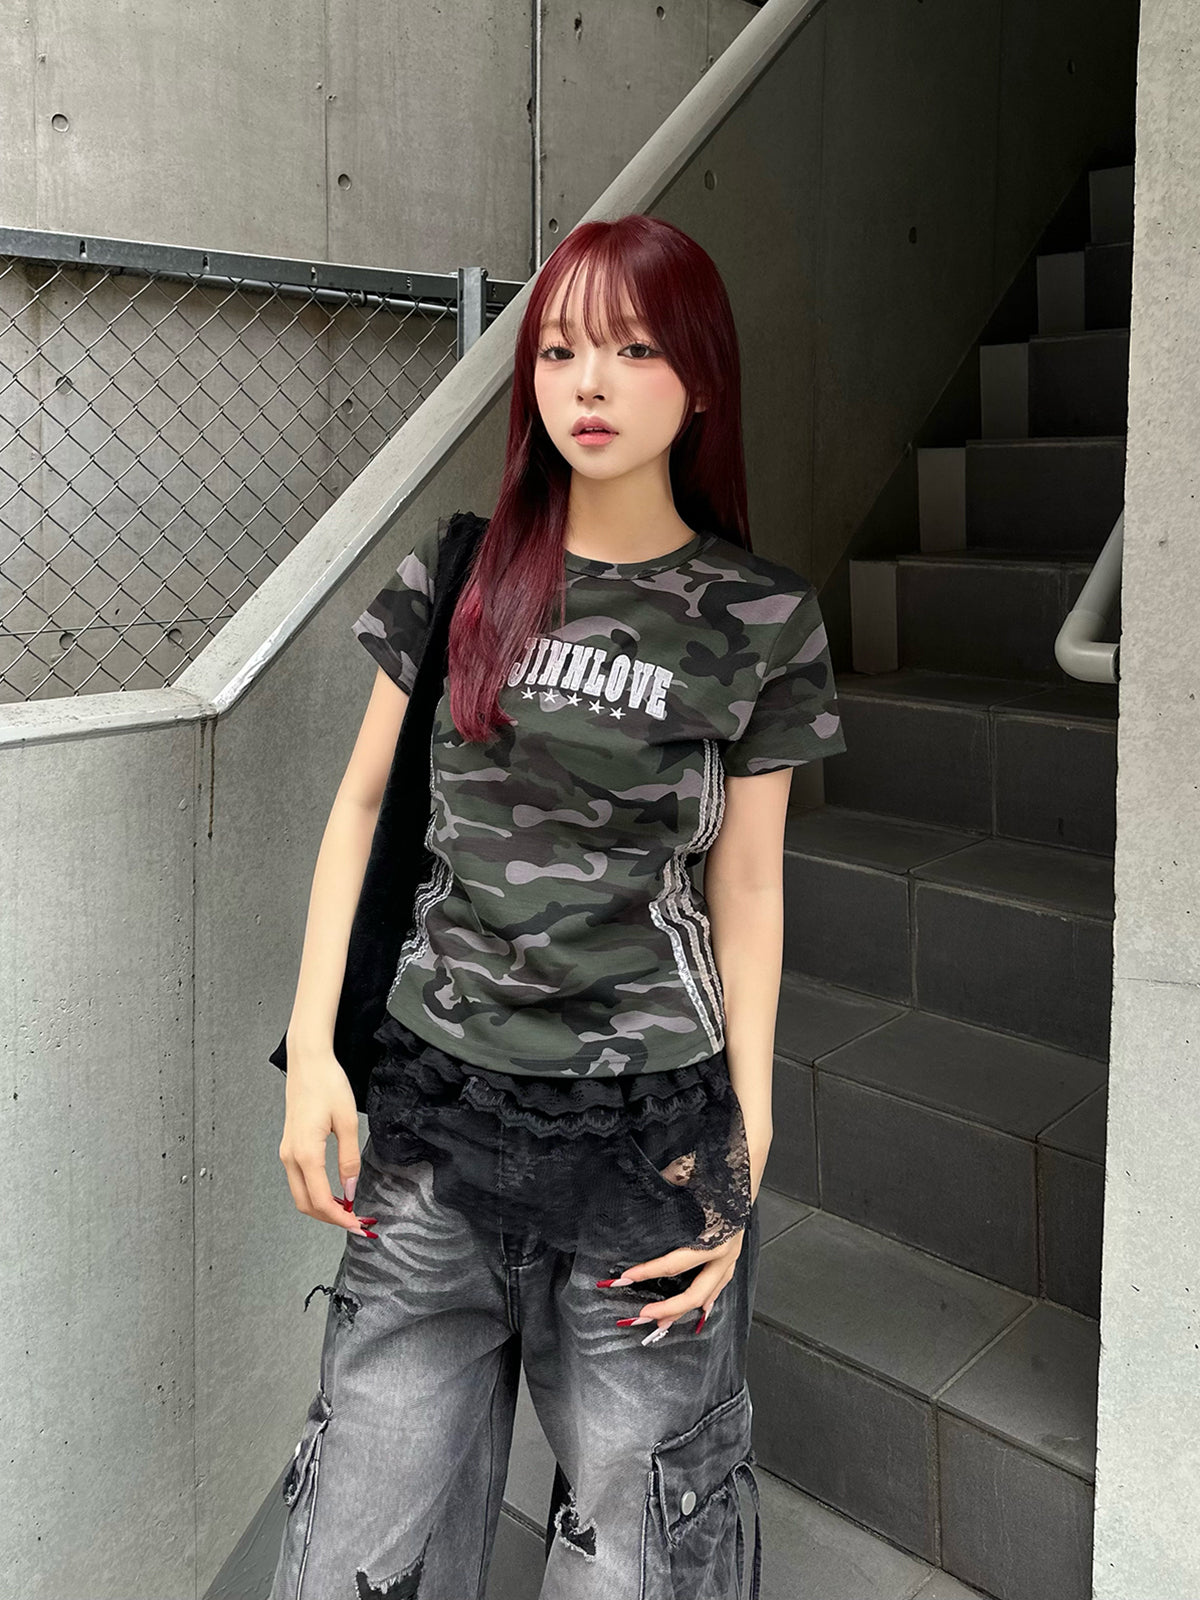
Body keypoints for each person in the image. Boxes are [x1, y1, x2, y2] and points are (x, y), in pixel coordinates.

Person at [268, 212, 847, 1600]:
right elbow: (361, 813)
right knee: (355, 1559)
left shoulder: (761, 619)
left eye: (634, 350)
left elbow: (747, 882)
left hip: (645, 1154)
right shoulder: (460, 574)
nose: (589, 385)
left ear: (700, 382)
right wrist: (317, 1060)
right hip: (434, 1135)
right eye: (561, 351)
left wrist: (748, 1133)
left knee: (637, 1561)